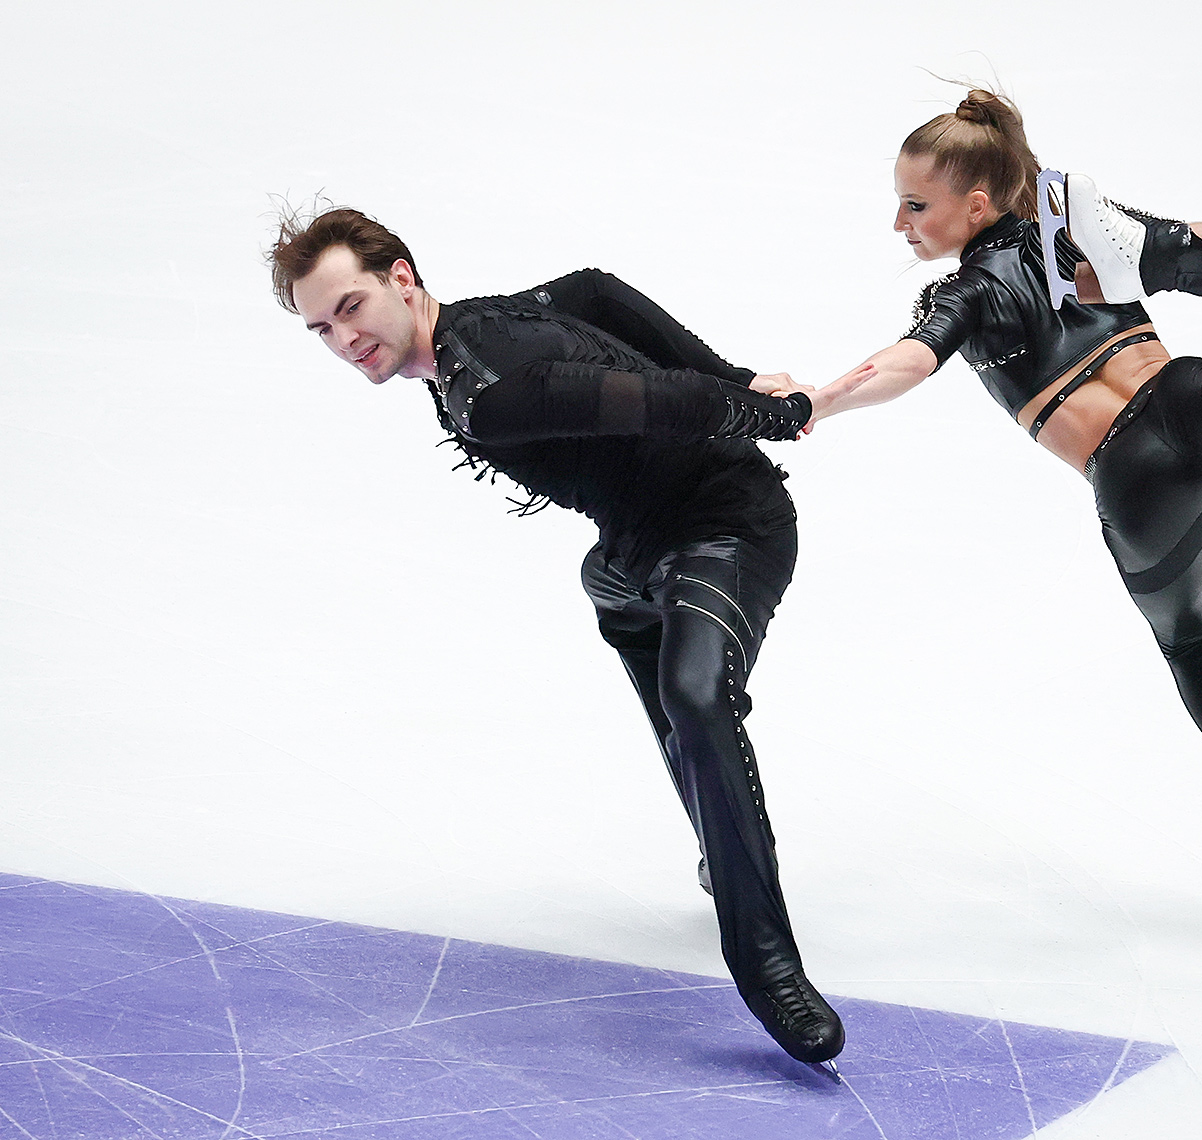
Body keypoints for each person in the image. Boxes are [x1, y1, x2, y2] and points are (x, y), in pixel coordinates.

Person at [790, 91, 1202, 932]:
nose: (899, 223)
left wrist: (821, 400)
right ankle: (1178, 268)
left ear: (975, 205)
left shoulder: (966, 293)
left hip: (1141, 484)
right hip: (1201, 406)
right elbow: (1201, 233)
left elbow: (908, 361)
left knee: (1193, 647)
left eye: (914, 204)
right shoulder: (1068, 231)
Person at [266, 206, 854, 1068]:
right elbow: (592, 292)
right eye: (322, 329)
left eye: (350, 307)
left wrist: (770, 409)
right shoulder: (473, 327)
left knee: (696, 695)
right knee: (621, 602)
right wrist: (740, 381)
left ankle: (766, 965)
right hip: (635, 552)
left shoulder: (488, 393)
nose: (344, 339)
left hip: (727, 525)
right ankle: (723, 838)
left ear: (401, 279)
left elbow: (666, 402)